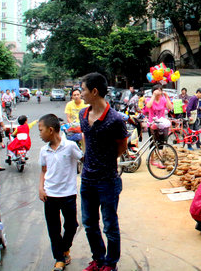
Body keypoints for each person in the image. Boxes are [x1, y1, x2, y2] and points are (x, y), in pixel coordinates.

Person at [79, 73, 129, 271]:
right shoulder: (83, 115)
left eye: (83, 89)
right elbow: (86, 140)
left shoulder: (115, 119)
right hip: (87, 180)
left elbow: (122, 146)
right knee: (89, 224)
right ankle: (98, 259)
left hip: (107, 180)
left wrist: (106, 162)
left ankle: (110, 263)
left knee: (109, 226)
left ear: (94, 91)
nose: (80, 94)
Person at [38, 114, 84, 271]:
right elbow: (44, 171)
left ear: (51, 130)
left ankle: (65, 248)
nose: (39, 133)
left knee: (72, 225)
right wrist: (40, 188)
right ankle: (59, 258)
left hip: (68, 194)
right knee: (53, 228)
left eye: (41, 130)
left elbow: (83, 158)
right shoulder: (43, 150)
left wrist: (84, 138)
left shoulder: (70, 146)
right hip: (50, 195)